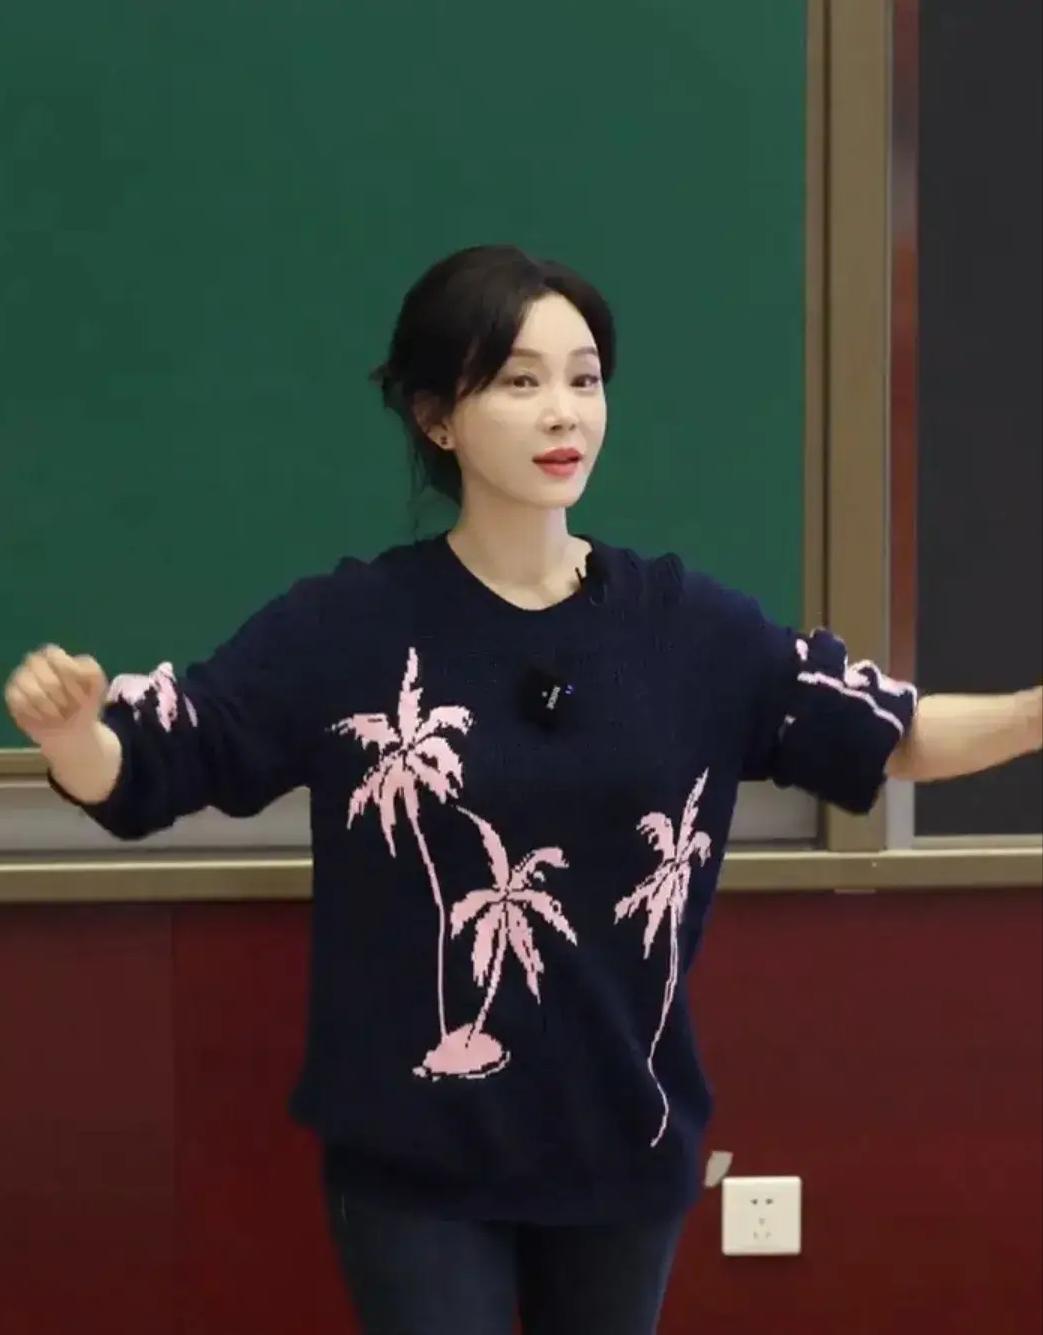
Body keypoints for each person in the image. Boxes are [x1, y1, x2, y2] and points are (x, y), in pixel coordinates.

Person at [5, 244, 1041, 1335]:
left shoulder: (685, 626)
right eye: (518, 380)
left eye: (584, 380)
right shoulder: (349, 628)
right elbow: (159, 766)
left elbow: (886, 732)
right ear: (436, 418)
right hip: (416, 1163)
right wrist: (74, 737)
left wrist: (1029, 714)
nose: (563, 412)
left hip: (621, 1152)